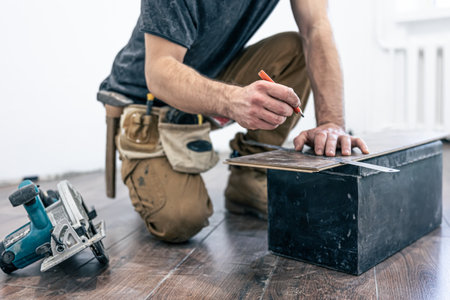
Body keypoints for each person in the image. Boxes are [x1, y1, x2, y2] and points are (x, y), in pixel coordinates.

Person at [99, 0, 369, 243]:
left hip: (210, 74)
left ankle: (249, 178)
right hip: (147, 100)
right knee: (182, 219)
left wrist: (332, 123)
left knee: (296, 52)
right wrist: (231, 100)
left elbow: (316, 28)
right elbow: (159, 71)